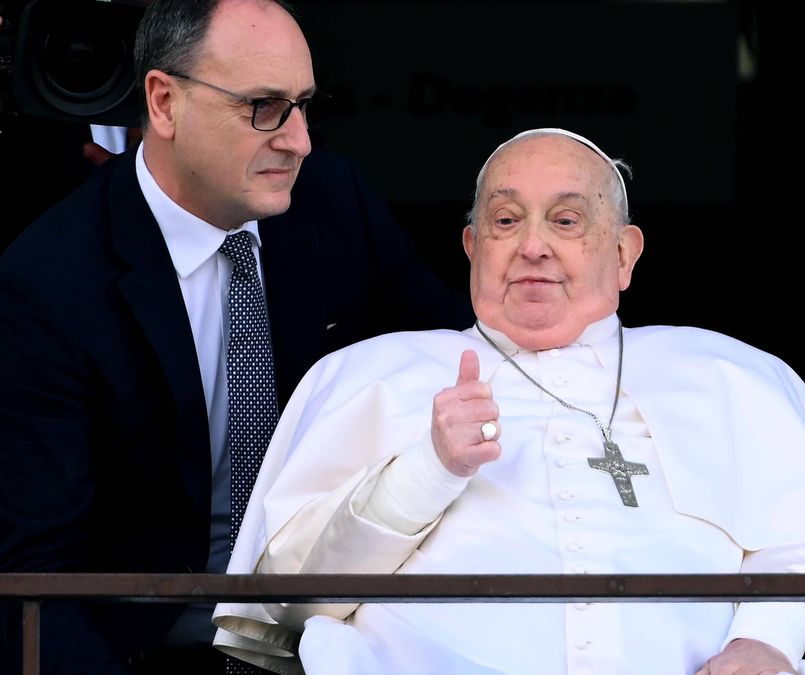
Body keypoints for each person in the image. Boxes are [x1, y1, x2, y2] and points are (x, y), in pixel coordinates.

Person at [213, 128, 805, 675]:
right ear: (472, 248)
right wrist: (425, 469)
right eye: (504, 219)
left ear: (623, 253)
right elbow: (288, 596)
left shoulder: (727, 374)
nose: (532, 245)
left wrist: (766, 638)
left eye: (566, 219)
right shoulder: (369, 373)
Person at [0, 0, 471, 673]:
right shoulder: (47, 286)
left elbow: (467, 361)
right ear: (162, 102)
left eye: (306, 104)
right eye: (263, 106)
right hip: (149, 648)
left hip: (339, 629)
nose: (299, 139)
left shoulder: (335, 202)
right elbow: (35, 582)